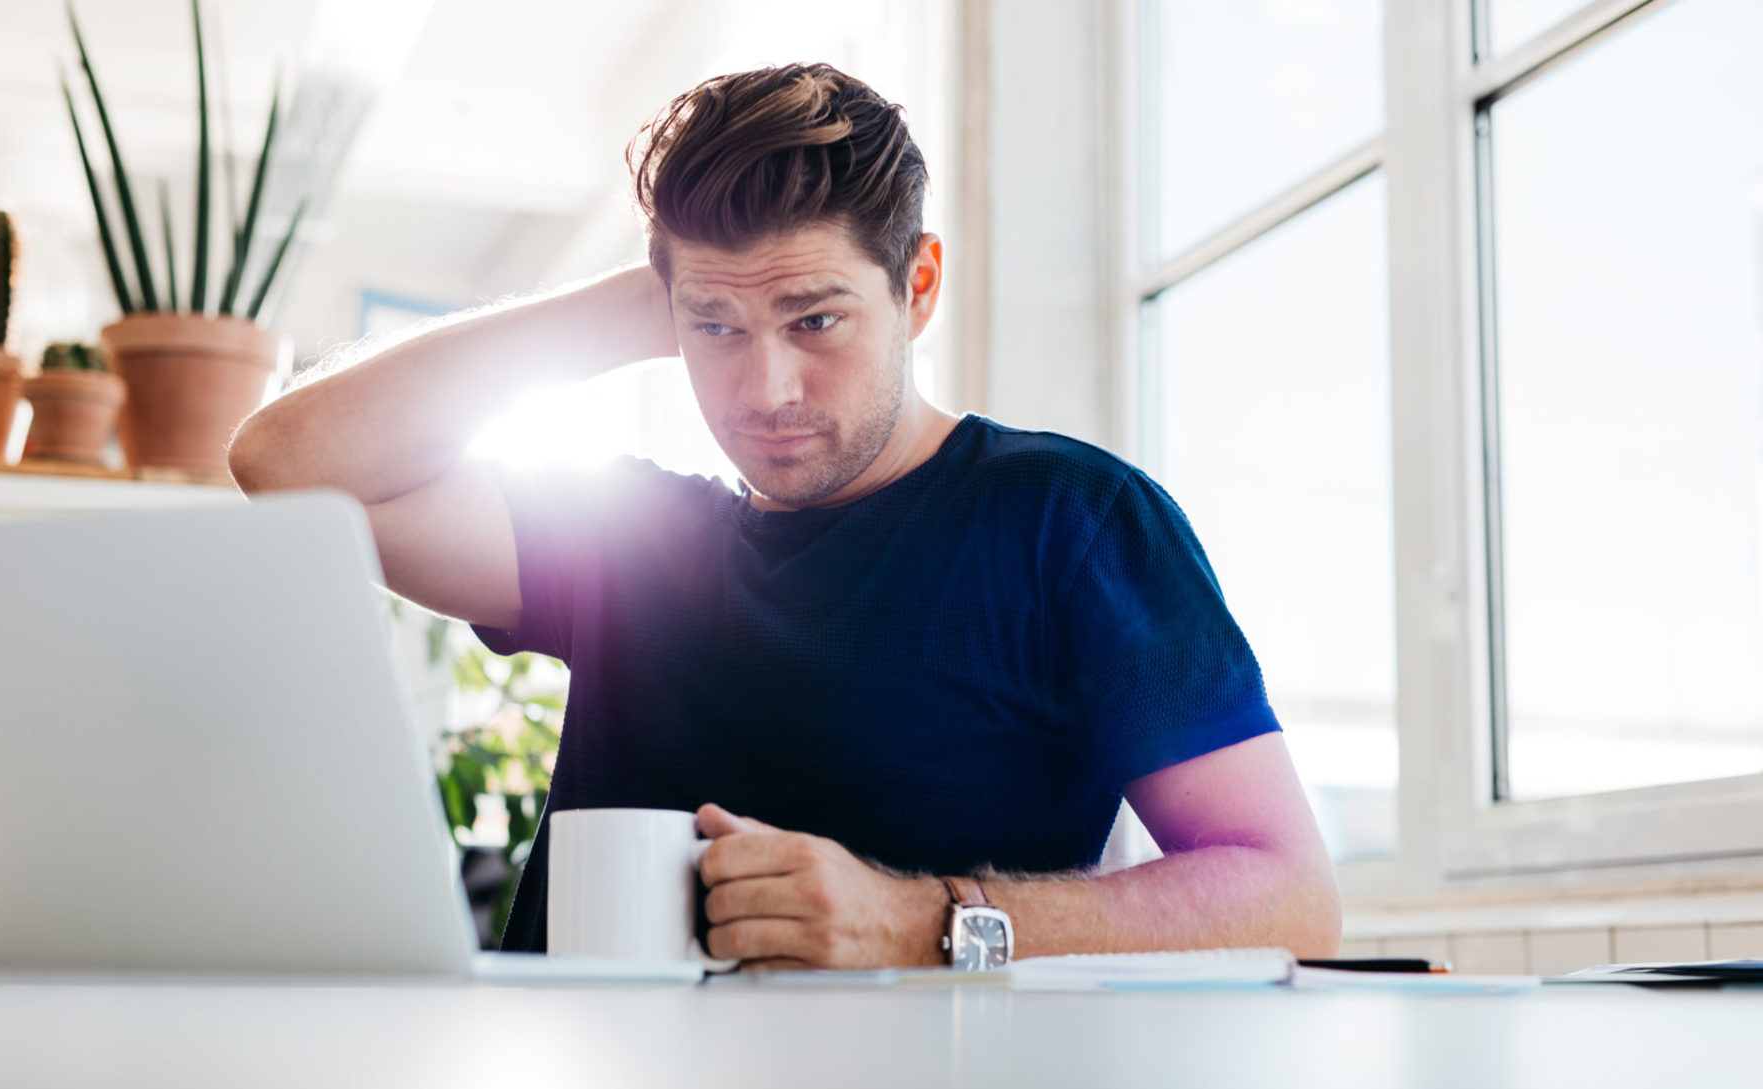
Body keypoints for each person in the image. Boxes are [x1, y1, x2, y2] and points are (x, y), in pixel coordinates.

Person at [228, 62, 1341, 969]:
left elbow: (1289, 898)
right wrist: (662, 296)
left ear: (919, 287)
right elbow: (286, 459)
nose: (765, 391)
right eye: (714, 330)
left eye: (815, 319)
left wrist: (921, 922)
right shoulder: (628, 539)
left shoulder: (1071, 521)